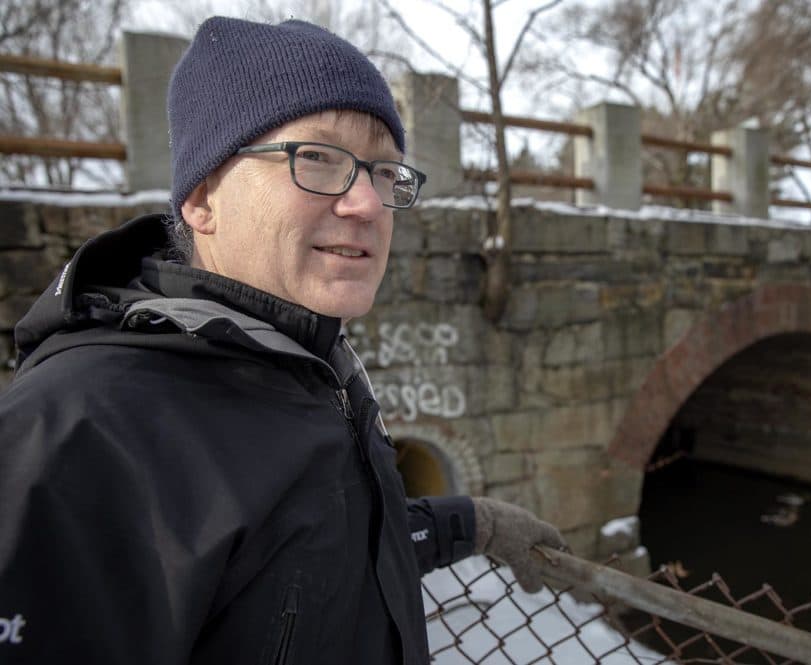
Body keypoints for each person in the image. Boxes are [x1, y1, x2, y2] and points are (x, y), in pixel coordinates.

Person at [0, 16, 565, 665]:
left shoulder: (308, 367)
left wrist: (467, 523)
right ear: (203, 197)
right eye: (317, 157)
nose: (368, 203)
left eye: (384, 170)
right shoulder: (78, 435)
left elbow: (313, 558)